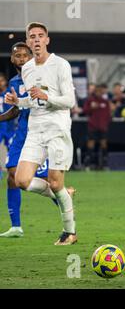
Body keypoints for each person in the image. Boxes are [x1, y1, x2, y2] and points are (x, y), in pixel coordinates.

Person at [5, 22, 77, 245]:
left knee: (55, 183)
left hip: (57, 130)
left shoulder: (60, 65)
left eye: (40, 36)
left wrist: (48, 98)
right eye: (32, 36)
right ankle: (64, 194)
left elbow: (70, 101)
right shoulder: (27, 69)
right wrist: (19, 101)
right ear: (28, 42)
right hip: (35, 131)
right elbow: (33, 102)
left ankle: (70, 232)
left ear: (47, 40)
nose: (36, 40)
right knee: (21, 180)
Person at [0, 42, 58, 238]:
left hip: (40, 133)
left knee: (47, 180)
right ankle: (16, 226)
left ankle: (67, 210)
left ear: (31, 57)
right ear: (12, 59)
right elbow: (17, 109)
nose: (22, 58)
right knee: (11, 175)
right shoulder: (15, 82)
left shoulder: (40, 76)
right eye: (18, 55)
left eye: (25, 55)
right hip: (22, 134)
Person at [83, 84, 112, 170]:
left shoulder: (105, 102)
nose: (99, 93)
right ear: (95, 92)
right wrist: (91, 108)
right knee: (91, 145)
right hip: (93, 127)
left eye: (101, 91)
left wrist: (106, 124)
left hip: (102, 128)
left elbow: (108, 114)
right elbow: (85, 111)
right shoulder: (90, 101)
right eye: (98, 91)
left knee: (103, 144)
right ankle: (88, 164)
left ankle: (104, 164)